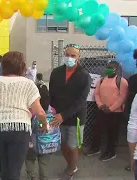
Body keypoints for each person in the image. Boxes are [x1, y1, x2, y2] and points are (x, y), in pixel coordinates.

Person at [0, 51, 48, 180]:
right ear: (22, 66)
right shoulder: (28, 84)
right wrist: (43, 125)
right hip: (19, 129)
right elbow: (39, 112)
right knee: (14, 169)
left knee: (5, 167)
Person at [49, 43, 91, 179]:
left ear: (78, 57)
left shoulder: (84, 75)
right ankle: (71, 165)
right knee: (62, 144)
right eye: (67, 55)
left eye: (73, 55)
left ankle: (71, 168)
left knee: (73, 145)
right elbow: (52, 95)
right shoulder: (56, 72)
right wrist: (52, 113)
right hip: (58, 116)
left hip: (76, 118)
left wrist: (64, 115)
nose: (69, 58)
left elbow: (81, 101)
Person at [85, 61, 128, 161]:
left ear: (116, 70)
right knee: (96, 129)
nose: (108, 69)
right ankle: (95, 148)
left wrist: (111, 108)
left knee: (112, 132)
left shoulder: (122, 81)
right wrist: (100, 105)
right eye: (107, 67)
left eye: (111, 68)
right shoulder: (102, 80)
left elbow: (122, 97)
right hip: (102, 109)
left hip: (116, 112)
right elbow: (97, 94)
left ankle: (111, 152)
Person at [25, 73, 51, 180]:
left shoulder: (30, 112)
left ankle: (32, 177)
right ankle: (44, 177)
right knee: (44, 161)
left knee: (29, 159)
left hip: (31, 142)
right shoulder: (51, 111)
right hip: (46, 142)